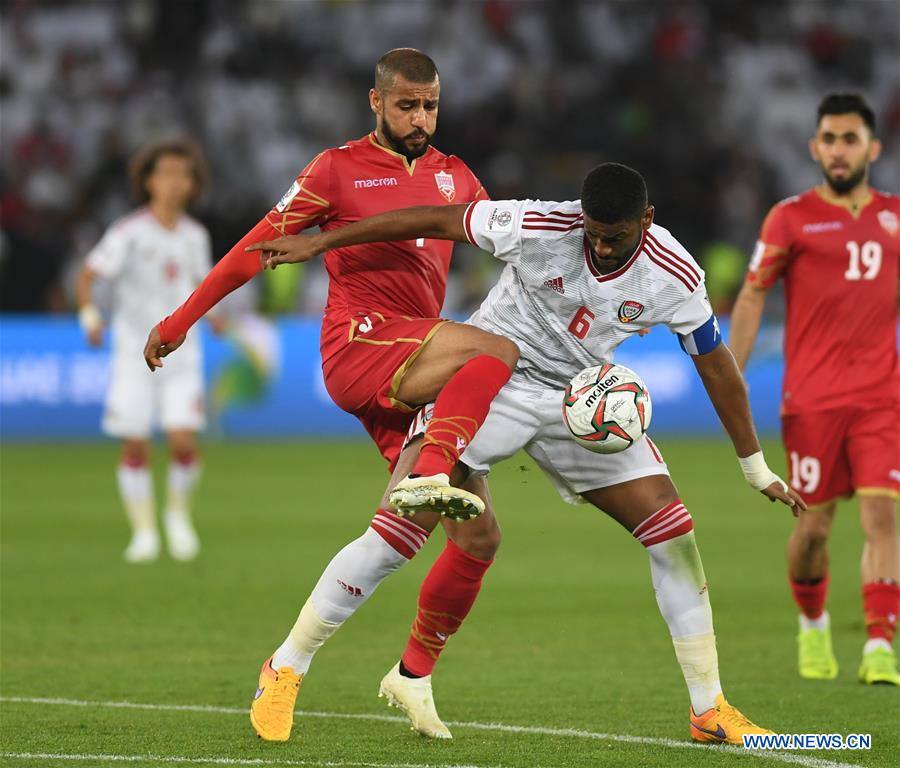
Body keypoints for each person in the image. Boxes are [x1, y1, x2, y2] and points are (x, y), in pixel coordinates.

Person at [250, 162, 806, 744]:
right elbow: (438, 219)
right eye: (592, 232)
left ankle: (708, 708)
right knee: (397, 532)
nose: (600, 246)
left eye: (615, 237)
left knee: (673, 532)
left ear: (647, 220)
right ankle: (286, 665)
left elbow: (716, 365)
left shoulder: (673, 273)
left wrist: (754, 466)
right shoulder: (541, 223)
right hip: (493, 384)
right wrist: (324, 240)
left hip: (581, 399)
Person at [143, 49, 518, 740]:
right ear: (375, 103)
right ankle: (435, 466)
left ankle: (307, 669)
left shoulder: (455, 176)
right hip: (362, 346)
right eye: (406, 105)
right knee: (493, 351)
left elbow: (517, 249)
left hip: (421, 367)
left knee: (467, 537)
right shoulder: (335, 169)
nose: (420, 118)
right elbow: (255, 246)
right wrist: (180, 319)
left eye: (430, 104)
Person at [729, 93, 900, 686]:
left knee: (883, 516)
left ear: (872, 148)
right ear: (814, 147)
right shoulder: (791, 217)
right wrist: (734, 370)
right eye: (829, 138)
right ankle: (813, 625)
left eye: (849, 138)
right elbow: (752, 294)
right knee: (813, 530)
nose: (838, 149)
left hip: (882, 397)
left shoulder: (895, 217)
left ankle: (881, 643)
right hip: (813, 400)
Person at [76, 139, 216, 563]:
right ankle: (144, 532)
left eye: (183, 174)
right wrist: (89, 316)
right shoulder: (128, 232)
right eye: (166, 173)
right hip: (132, 353)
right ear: (149, 181)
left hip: (181, 355)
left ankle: (177, 518)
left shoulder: (195, 235)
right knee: (135, 444)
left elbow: (204, 286)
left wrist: (217, 316)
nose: (175, 183)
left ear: (193, 184)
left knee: (182, 440)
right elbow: (88, 274)